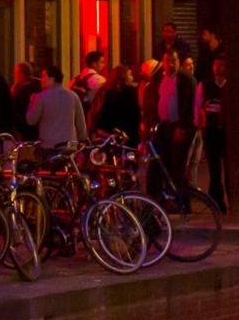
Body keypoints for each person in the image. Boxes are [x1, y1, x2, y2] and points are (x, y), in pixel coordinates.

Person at [152, 55, 198, 193]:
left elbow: (188, 104)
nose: (170, 64)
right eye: (167, 61)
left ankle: (181, 198)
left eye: (174, 61)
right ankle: (168, 194)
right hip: (165, 125)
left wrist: (182, 127)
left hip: (178, 126)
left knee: (177, 164)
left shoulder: (185, 79)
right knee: (163, 161)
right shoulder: (161, 78)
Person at [24, 63, 88, 151]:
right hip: (69, 145)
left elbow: (31, 120)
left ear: (52, 79)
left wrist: (32, 102)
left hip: (49, 145)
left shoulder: (40, 97)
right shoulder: (73, 95)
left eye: (43, 76)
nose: (41, 80)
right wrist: (82, 139)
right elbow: (80, 121)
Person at [200, 57, 229, 207]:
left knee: (229, 168)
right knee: (214, 168)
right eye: (217, 64)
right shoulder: (205, 85)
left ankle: (231, 199)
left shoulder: (231, 86)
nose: (219, 68)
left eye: (222, 64)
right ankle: (217, 201)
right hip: (211, 131)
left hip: (226, 131)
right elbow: (199, 106)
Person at [91, 65, 142, 142]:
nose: (132, 77)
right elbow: (135, 113)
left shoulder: (106, 91)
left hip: (109, 132)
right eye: (130, 74)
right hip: (128, 133)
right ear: (124, 76)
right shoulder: (130, 92)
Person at [9, 62, 39, 137]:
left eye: (15, 73)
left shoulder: (21, 91)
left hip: (25, 129)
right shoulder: (40, 86)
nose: (13, 76)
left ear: (22, 74)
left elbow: (15, 109)